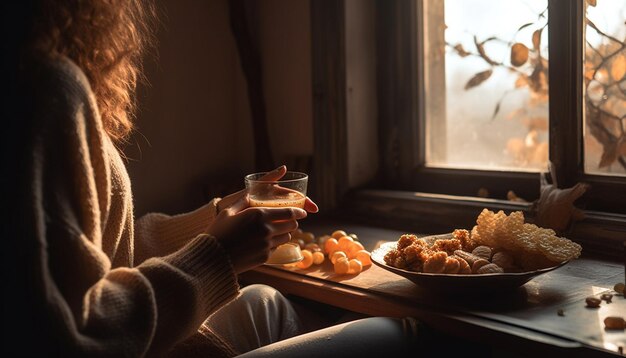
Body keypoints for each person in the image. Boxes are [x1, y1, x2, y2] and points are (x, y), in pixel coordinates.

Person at [2, 1, 418, 356]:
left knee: (265, 299)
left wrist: (214, 220)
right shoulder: (44, 86)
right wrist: (219, 254)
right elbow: (66, 333)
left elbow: (105, 253)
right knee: (396, 334)